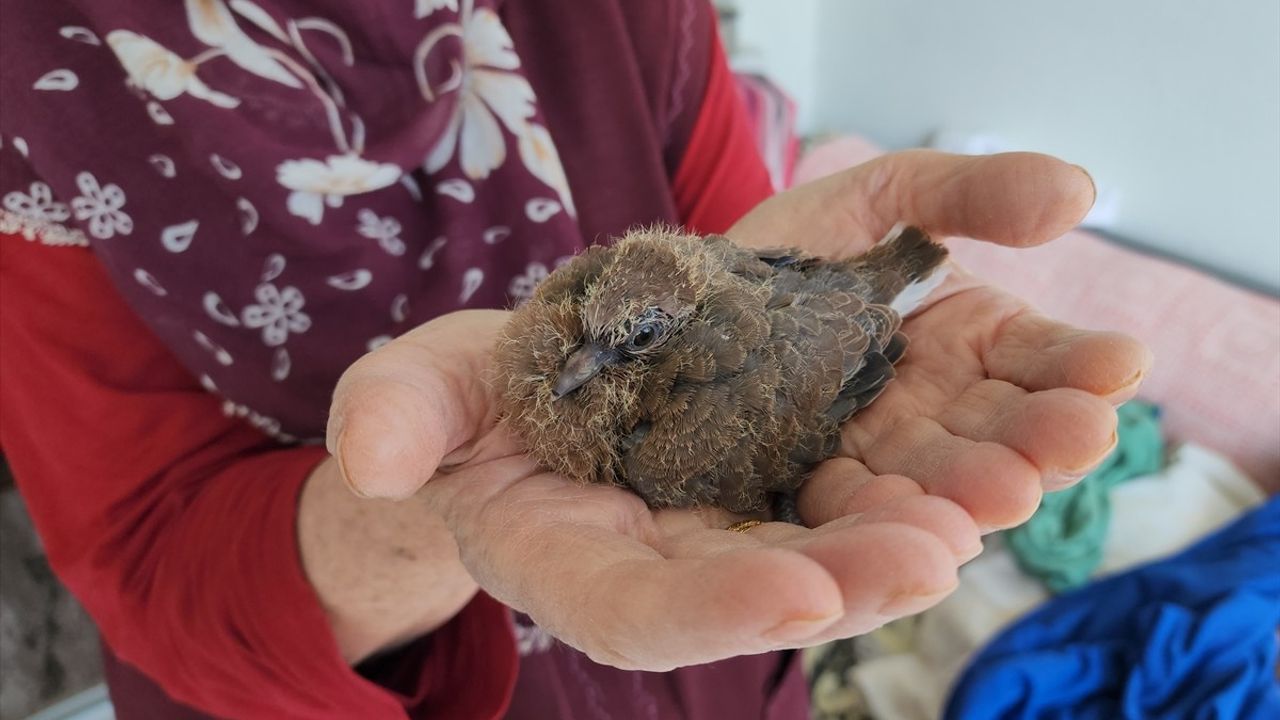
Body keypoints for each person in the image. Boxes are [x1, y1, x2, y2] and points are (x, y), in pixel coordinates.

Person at [0, 1, 1150, 718]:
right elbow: (145, 554)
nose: (585, 365)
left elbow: (728, 251)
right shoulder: (33, 88)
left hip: (711, 658)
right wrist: (435, 501)